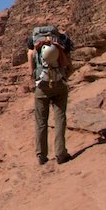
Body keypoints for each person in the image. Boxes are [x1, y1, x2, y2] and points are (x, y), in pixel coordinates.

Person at [26, 24, 74, 165]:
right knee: (60, 119)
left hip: (42, 86)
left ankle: (41, 155)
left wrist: (34, 76)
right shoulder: (59, 44)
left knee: (41, 122)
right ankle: (61, 154)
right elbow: (66, 64)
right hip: (59, 85)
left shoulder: (33, 48)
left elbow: (31, 70)